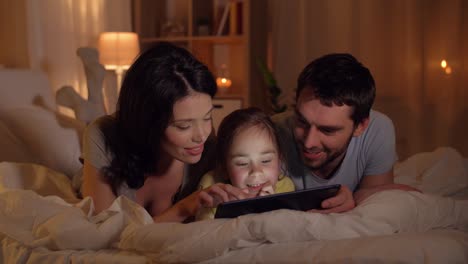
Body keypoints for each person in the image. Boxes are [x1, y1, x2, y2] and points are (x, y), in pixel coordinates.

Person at [79, 42, 249, 222]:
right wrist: (184, 208)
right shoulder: (103, 134)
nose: (201, 135)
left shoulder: (208, 151)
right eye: (183, 126)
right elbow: (104, 232)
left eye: (207, 117)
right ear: (148, 122)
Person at [273, 53, 417, 214]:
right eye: (301, 121)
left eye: (328, 130)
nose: (309, 142)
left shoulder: (378, 129)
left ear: (360, 126)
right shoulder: (271, 133)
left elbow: (374, 202)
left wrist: (355, 198)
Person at [197, 107, 295, 220]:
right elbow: (203, 231)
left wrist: (270, 207)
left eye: (266, 161)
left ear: (279, 162)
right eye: (242, 163)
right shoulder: (212, 187)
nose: (256, 172)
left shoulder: (285, 187)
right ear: (224, 168)